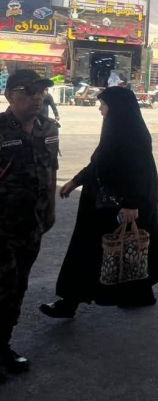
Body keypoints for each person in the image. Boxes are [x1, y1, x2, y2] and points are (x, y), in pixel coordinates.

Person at [40, 87, 158, 318]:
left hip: (119, 205)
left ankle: (71, 302)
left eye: (103, 105)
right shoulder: (115, 129)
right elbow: (99, 163)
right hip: (102, 203)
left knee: (113, 249)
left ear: (117, 107)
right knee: (108, 249)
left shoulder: (133, 133)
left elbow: (140, 172)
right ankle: (82, 300)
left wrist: (132, 204)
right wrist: (76, 181)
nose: (100, 109)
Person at [0, 70, 59, 380]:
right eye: (29, 91)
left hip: (32, 224)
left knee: (18, 287)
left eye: (41, 91)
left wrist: (51, 209)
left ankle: (3, 345)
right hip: (2, 226)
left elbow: (51, 171)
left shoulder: (48, 128)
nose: (37, 97)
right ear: (10, 96)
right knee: (2, 287)